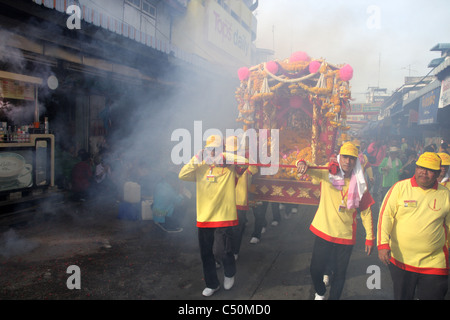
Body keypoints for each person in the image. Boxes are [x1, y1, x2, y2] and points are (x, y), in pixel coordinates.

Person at [296, 142, 375, 300]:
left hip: (345, 234)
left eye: (352, 158)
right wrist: (301, 163)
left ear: (356, 161)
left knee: (340, 274)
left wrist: (369, 237)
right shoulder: (328, 172)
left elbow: (366, 210)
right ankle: (321, 291)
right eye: (345, 157)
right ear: (340, 157)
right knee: (315, 270)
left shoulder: (360, 182)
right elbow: (310, 166)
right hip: (324, 230)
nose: (348, 161)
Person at [178, 135, 248, 297]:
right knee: (206, 253)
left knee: (223, 251)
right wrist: (197, 158)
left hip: (224, 215)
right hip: (204, 217)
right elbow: (182, 174)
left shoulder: (230, 167)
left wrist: (223, 157)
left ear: (222, 150)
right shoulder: (200, 166)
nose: (212, 153)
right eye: (209, 149)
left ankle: (229, 273)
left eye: (216, 149)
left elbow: (245, 162)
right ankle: (212, 283)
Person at [377, 152, 450, 300]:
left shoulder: (446, 194)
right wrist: (383, 244)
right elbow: (386, 216)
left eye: (430, 170)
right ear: (415, 168)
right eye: (421, 167)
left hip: (434, 262)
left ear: (437, 173)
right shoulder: (400, 188)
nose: (424, 172)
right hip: (401, 260)